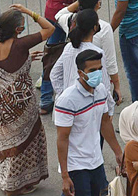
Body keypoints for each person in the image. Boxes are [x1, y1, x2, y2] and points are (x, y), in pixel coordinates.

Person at [0, 4, 54, 196]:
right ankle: (14, 185)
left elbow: (7, 65)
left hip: (2, 104)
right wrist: (29, 12)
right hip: (22, 103)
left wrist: (26, 58)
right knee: (26, 141)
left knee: (12, 141)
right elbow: (50, 28)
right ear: (18, 29)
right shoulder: (20, 45)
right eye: (22, 24)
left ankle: (12, 180)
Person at [53, 49, 123, 196]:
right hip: (76, 166)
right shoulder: (67, 100)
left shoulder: (101, 90)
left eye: (99, 69)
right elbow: (62, 138)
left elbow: (105, 123)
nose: (97, 73)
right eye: (92, 70)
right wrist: (65, 176)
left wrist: (118, 151)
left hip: (96, 161)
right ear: (80, 73)